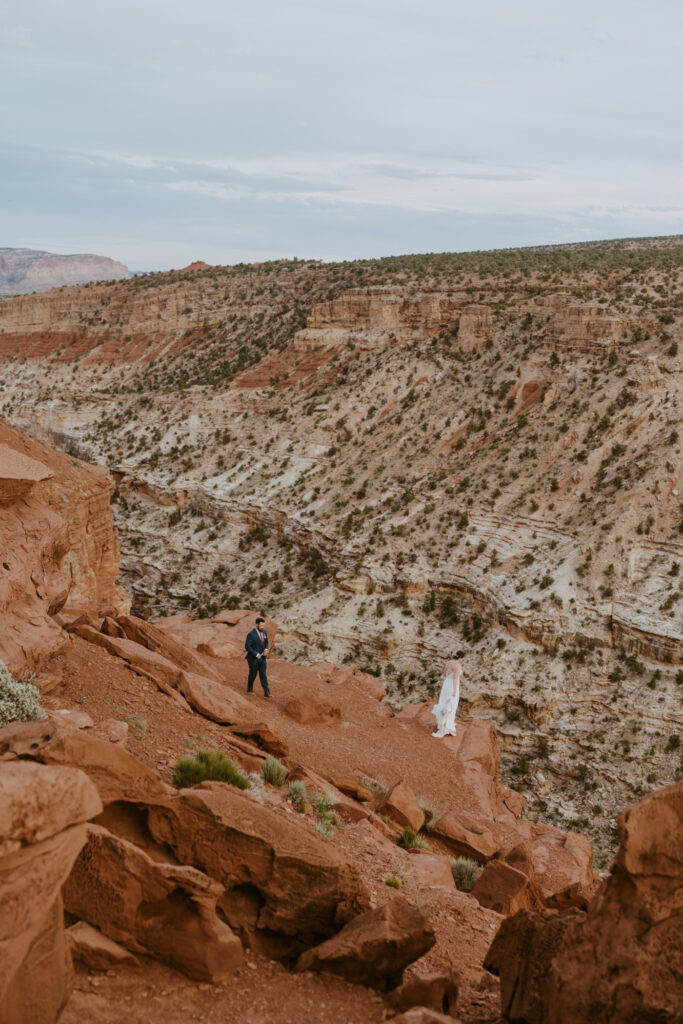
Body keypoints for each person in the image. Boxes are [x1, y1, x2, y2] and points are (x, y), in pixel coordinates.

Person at [431, 650, 464, 738]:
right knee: (451, 705)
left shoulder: (449, 662)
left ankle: (444, 724)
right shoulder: (457, 665)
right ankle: (446, 728)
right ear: (460, 658)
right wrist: (454, 690)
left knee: (444, 703)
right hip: (452, 686)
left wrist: (448, 679)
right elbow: (455, 678)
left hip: (446, 684)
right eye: (462, 658)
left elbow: (444, 673)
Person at [245, 616, 271, 698]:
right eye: (261, 626)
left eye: (263, 625)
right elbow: (247, 647)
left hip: (262, 658)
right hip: (253, 658)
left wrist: (266, 649)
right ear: (256, 624)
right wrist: (256, 654)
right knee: (253, 674)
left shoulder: (264, 632)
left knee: (263, 674)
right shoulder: (251, 634)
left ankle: (267, 692)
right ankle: (249, 689)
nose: (262, 627)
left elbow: (266, 642)